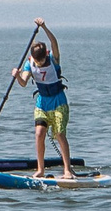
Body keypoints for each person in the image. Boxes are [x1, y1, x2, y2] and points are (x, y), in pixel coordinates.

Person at [10, 19, 76, 179]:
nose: (39, 64)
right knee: (39, 133)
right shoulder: (30, 64)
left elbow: (54, 43)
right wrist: (17, 75)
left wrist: (44, 27)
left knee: (59, 134)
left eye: (41, 60)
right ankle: (40, 169)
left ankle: (67, 170)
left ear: (46, 55)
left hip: (58, 102)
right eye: (37, 61)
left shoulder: (53, 59)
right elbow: (23, 83)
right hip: (42, 103)